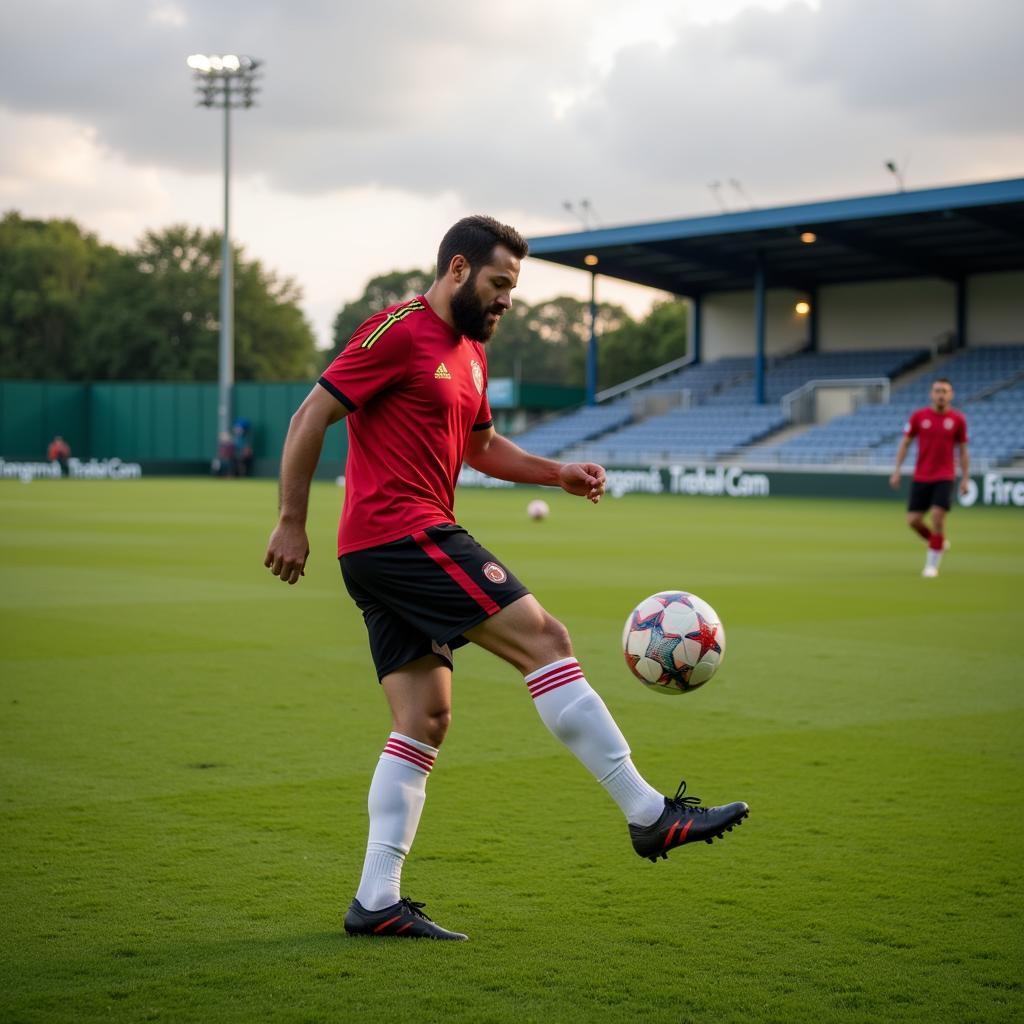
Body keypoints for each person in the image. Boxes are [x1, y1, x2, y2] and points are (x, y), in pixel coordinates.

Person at [264, 215, 748, 942]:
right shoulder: (395, 331)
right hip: (400, 532)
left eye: (513, 288)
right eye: (499, 284)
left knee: (424, 720)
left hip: (392, 544)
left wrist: (558, 471)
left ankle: (376, 901)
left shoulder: (472, 356)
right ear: (457, 270)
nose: (507, 301)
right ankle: (649, 814)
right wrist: (291, 520)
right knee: (544, 638)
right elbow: (311, 415)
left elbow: (482, 446)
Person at [889, 377, 970, 578]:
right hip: (921, 476)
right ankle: (938, 542)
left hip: (945, 475)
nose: (940, 394)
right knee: (913, 520)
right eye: (937, 391)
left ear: (951, 395)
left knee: (937, 516)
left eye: (944, 391)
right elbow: (905, 444)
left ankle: (931, 565)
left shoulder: (958, 420)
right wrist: (897, 470)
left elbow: (963, 451)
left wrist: (966, 478)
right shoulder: (918, 417)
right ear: (931, 394)